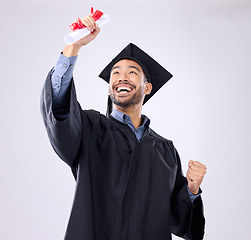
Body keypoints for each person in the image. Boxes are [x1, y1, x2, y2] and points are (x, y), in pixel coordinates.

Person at [41, 14, 207, 240]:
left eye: (132, 72)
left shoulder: (166, 152)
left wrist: (192, 189)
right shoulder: (91, 129)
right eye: (115, 73)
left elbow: (180, 222)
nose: (121, 77)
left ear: (147, 87)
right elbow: (61, 110)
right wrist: (73, 47)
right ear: (110, 88)